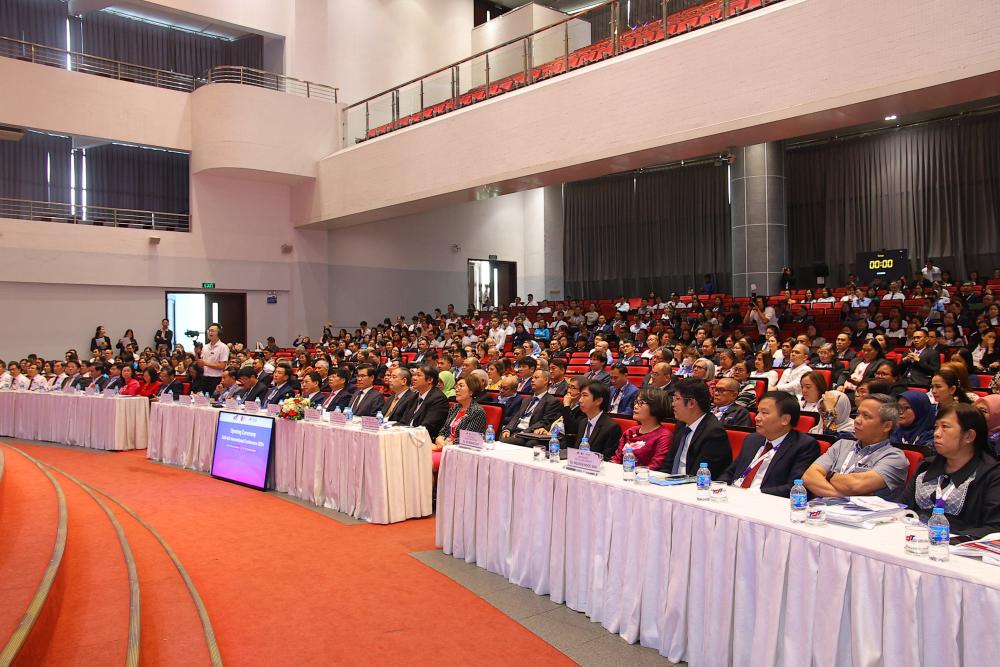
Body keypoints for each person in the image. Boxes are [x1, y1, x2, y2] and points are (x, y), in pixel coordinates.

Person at [901, 404, 1000, 540]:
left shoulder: (992, 474)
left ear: (969, 436)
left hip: (958, 549)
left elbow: (995, 528)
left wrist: (948, 540)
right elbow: (903, 508)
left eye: (945, 427)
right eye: (936, 427)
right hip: (915, 541)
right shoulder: (926, 467)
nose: (936, 433)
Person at [802, 394, 909, 500]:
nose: (857, 420)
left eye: (866, 416)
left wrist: (828, 475)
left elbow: (855, 485)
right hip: (825, 511)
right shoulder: (841, 444)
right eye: (858, 414)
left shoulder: (894, 458)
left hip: (869, 516)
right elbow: (808, 477)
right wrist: (847, 497)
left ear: (887, 426)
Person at [719, 391, 820, 497]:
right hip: (733, 497)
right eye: (758, 412)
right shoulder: (752, 439)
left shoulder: (804, 446)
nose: (757, 418)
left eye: (764, 413)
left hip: (765, 502)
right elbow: (731, 472)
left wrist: (754, 494)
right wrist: (719, 487)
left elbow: (794, 487)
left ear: (785, 419)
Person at [658, 378, 732, 477]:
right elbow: (668, 463)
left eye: (677, 398)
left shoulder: (714, 433)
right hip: (672, 483)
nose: (673, 404)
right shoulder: (681, 424)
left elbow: (700, 474)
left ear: (691, 403)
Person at [610, 388, 673, 469]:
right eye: (636, 402)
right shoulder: (630, 431)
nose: (635, 406)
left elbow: (655, 466)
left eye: (641, 403)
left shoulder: (664, 436)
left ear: (655, 406)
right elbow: (617, 459)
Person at [501, 370, 563, 446]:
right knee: (500, 435)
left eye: (536, 378)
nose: (533, 380)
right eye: (532, 378)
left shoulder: (551, 401)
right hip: (516, 430)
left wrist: (524, 432)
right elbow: (516, 416)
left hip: (529, 433)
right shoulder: (527, 400)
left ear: (546, 380)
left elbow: (544, 422)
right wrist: (508, 429)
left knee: (505, 441)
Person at [566, 380, 623, 459]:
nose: (580, 400)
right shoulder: (583, 422)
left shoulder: (611, 427)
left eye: (585, 396)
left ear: (598, 401)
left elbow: (608, 458)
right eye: (581, 396)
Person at [434, 375, 489, 451]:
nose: (457, 389)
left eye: (461, 386)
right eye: (456, 386)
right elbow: (444, 429)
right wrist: (440, 437)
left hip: (461, 451)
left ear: (471, 391)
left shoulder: (477, 411)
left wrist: (445, 442)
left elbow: (467, 440)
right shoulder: (456, 407)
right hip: (446, 446)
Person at [406, 364, 450, 437]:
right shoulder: (414, 396)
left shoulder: (438, 398)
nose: (414, 378)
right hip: (409, 434)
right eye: (414, 375)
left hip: (424, 439)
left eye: (418, 375)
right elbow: (404, 419)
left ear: (430, 380)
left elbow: (428, 426)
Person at [197, 323, 229, 394]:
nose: (210, 332)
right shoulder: (205, 347)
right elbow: (202, 364)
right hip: (205, 378)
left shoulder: (223, 347)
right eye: (209, 331)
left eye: (212, 331)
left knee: (213, 401)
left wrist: (205, 363)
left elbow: (222, 366)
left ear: (219, 333)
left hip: (216, 378)